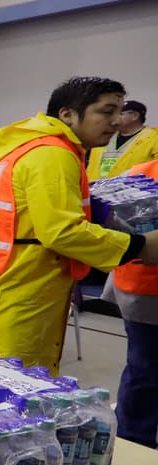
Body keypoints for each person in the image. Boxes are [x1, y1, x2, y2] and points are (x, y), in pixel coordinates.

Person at [0, 76, 158, 375]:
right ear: (67, 114)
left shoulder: (33, 146)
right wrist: (138, 246)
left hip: (9, 288)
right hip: (18, 297)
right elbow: (62, 232)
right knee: (11, 397)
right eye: (106, 111)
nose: (116, 121)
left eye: (120, 111)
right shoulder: (53, 153)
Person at [103, 158, 158, 447]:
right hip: (147, 289)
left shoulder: (139, 171)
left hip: (137, 286)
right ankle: (134, 443)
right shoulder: (140, 174)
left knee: (143, 370)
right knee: (145, 370)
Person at [87, 100, 157, 180]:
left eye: (120, 114)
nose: (113, 118)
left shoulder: (154, 139)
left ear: (134, 116)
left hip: (132, 190)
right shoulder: (102, 136)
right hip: (95, 189)